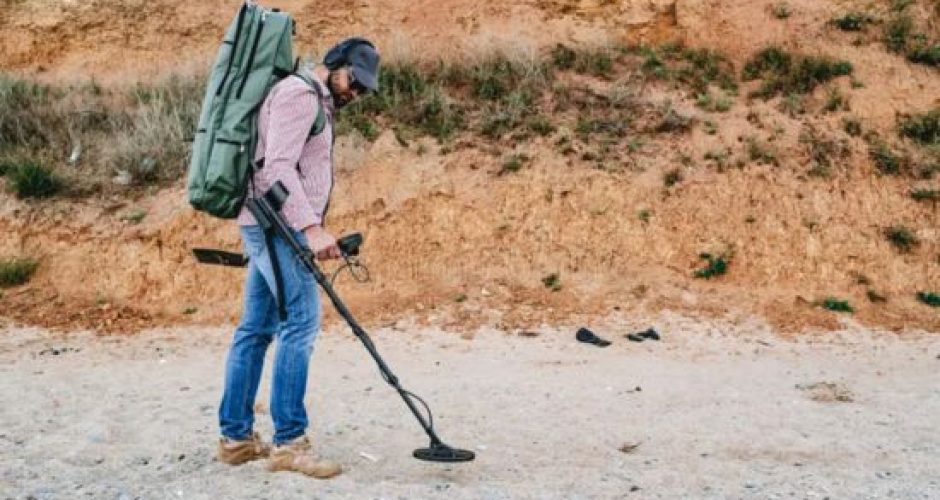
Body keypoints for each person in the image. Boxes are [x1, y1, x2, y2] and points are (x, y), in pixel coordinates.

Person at [215, 38, 380, 479]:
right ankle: (289, 442)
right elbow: (276, 169)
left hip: (271, 224)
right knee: (301, 323)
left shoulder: (316, 101)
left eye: (363, 89)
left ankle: (235, 438)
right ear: (336, 65)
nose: (356, 93)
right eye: (354, 82)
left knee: (256, 328)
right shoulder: (298, 94)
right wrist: (309, 227)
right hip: (275, 227)